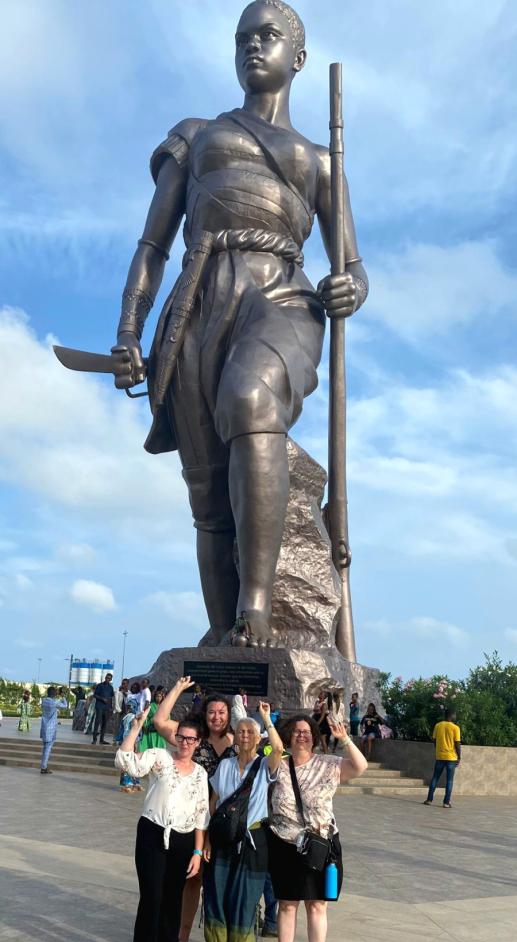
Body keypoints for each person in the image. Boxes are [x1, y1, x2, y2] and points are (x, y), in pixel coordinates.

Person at [110, 0, 367, 650]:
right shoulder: (197, 134)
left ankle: (257, 600)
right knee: (206, 487)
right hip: (197, 299)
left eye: (270, 36)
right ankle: (225, 631)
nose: (255, 47)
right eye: (244, 38)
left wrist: (348, 287)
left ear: (297, 57)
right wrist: (128, 333)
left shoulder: (319, 159)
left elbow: (353, 269)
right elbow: (152, 247)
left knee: (250, 401)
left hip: (280, 295)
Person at [264, 714, 367, 942]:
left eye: (307, 731)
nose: (302, 735)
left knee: (316, 906)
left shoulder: (328, 764)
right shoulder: (278, 765)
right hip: (285, 844)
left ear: (314, 735)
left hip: (320, 846)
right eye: (296, 731)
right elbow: (271, 752)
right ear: (288, 736)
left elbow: (360, 767)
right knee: (286, 905)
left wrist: (344, 738)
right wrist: (266, 720)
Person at [115, 707, 209, 942]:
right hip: (152, 835)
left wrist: (196, 851)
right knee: (152, 899)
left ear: (198, 743)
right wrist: (135, 728)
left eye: (191, 739)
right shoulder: (159, 757)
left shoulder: (201, 774)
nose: (185, 743)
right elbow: (126, 763)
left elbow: (202, 814)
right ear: (174, 737)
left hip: (183, 840)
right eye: (181, 737)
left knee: (173, 901)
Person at [202, 705, 283, 942]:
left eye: (251, 732)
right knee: (217, 896)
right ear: (234, 737)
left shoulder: (265, 765)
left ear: (259, 737)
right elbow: (213, 805)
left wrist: (265, 720)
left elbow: (279, 748)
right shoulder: (224, 765)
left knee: (246, 901)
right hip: (222, 841)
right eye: (241, 731)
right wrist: (209, 840)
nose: (246, 735)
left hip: (252, 841)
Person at [155, 689, 236, 942]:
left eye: (222, 712)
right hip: (193, 823)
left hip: (228, 826)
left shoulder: (240, 742)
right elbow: (159, 721)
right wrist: (177, 688)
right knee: (191, 882)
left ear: (229, 715)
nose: (216, 716)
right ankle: (180, 940)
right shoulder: (193, 739)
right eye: (212, 711)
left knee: (223, 886)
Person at [424, 709, 461, 808]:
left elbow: (434, 740)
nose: (455, 717)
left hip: (440, 756)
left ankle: (429, 799)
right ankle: (446, 802)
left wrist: (438, 750)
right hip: (451, 758)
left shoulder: (438, 725)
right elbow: (457, 743)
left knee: (435, 777)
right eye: (455, 715)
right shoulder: (455, 728)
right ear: (451, 716)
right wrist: (459, 757)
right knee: (449, 780)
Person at [40, 686, 69, 774]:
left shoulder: (44, 701)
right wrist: (63, 696)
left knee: (45, 747)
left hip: (44, 726)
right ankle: (44, 767)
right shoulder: (54, 702)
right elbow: (65, 705)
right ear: (54, 694)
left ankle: (43, 766)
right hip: (51, 728)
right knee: (48, 748)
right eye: (56, 692)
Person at [139, 687, 168, 751]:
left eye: (160, 696)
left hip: (160, 729)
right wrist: (145, 725)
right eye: (157, 696)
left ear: (162, 697)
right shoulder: (151, 706)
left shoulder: (164, 706)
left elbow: (167, 716)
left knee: (160, 746)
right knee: (151, 745)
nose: (158, 698)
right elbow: (146, 716)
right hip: (151, 727)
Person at [92, 672, 114, 745]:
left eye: (109, 678)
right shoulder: (100, 685)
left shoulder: (111, 687)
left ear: (111, 679)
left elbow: (111, 698)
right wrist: (102, 699)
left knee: (104, 723)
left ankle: (102, 739)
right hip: (99, 706)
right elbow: (95, 695)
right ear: (105, 678)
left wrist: (111, 707)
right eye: (107, 678)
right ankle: (94, 739)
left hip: (106, 708)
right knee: (97, 722)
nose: (107, 679)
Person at [113, 678, 129, 744]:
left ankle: (121, 739)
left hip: (125, 711)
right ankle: (115, 739)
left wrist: (124, 693)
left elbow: (128, 700)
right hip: (118, 711)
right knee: (117, 725)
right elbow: (116, 701)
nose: (123, 685)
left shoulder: (129, 692)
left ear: (127, 684)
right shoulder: (117, 691)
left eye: (124, 684)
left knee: (124, 726)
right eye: (122, 683)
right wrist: (119, 710)